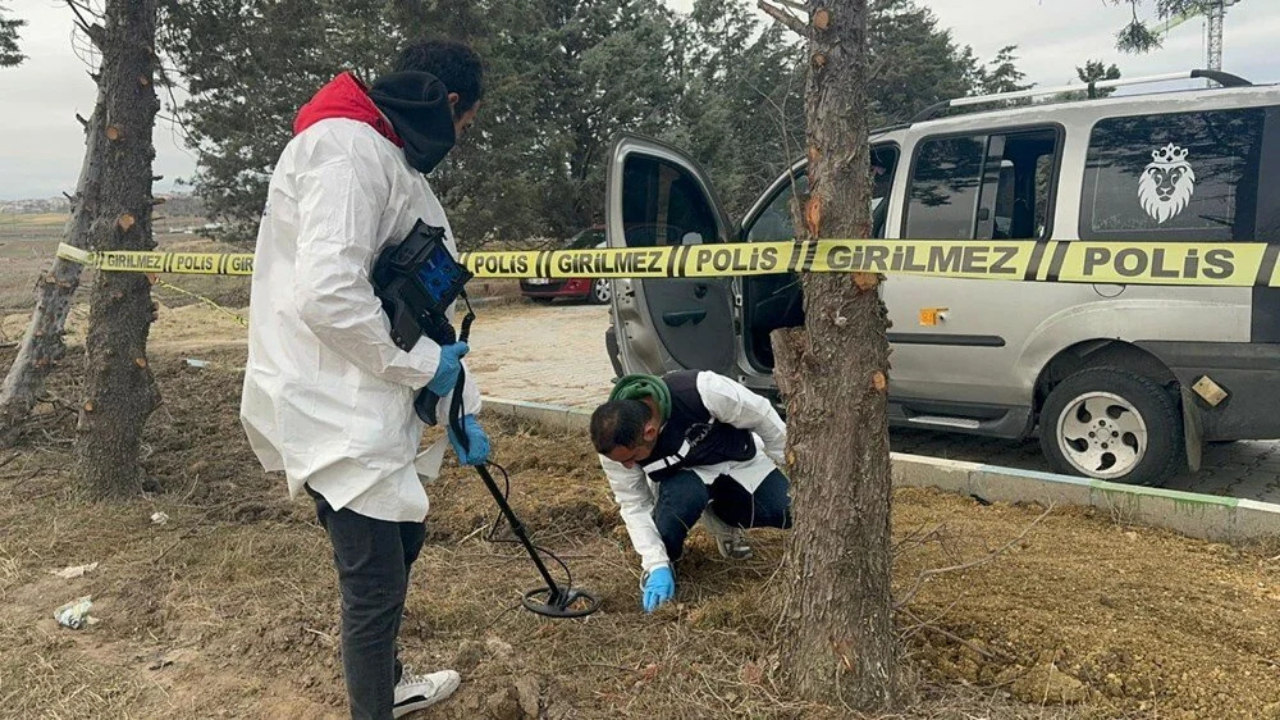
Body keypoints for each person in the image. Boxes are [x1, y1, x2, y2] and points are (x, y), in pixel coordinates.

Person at [239, 39, 491, 720]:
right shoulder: (344, 149)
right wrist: (419, 368)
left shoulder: (383, 155)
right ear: (447, 104)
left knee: (403, 539)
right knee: (374, 583)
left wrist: (458, 399)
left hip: (365, 397)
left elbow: (413, 292)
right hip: (333, 404)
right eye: (465, 127)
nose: (460, 143)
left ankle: (389, 682)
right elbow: (328, 295)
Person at [590, 370, 793, 613]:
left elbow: (764, 417)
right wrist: (656, 564)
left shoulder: (705, 391)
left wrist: (795, 467)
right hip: (684, 482)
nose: (629, 467)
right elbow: (633, 504)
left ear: (650, 432)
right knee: (683, 502)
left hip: (738, 463)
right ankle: (670, 563)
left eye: (632, 459)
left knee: (789, 510)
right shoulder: (616, 445)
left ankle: (722, 519)